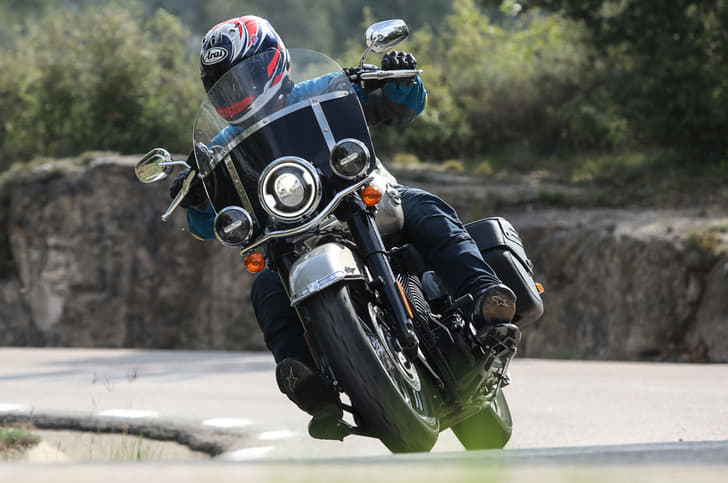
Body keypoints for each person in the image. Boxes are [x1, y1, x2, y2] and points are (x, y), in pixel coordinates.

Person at [170, 15, 518, 436]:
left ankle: (486, 296)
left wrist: (396, 79)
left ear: (274, 62)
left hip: (369, 201)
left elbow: (406, 104)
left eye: (246, 77)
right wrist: (196, 195)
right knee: (265, 289)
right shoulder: (220, 148)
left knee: (427, 209)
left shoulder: (324, 91)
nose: (238, 91)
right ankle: (307, 382)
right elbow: (207, 225)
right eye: (226, 86)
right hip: (291, 240)